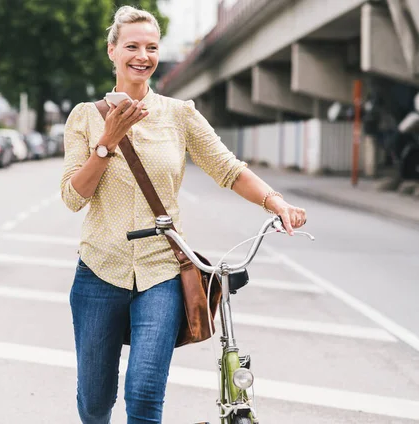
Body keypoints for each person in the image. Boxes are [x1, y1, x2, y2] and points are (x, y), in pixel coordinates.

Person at [60, 5, 307, 424]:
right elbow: (72, 197)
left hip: (162, 273)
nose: (143, 55)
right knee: (95, 401)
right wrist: (108, 142)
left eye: (152, 47)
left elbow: (229, 169)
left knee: (144, 393)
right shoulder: (85, 117)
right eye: (132, 46)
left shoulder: (180, 114)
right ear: (112, 51)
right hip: (100, 272)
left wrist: (277, 202)